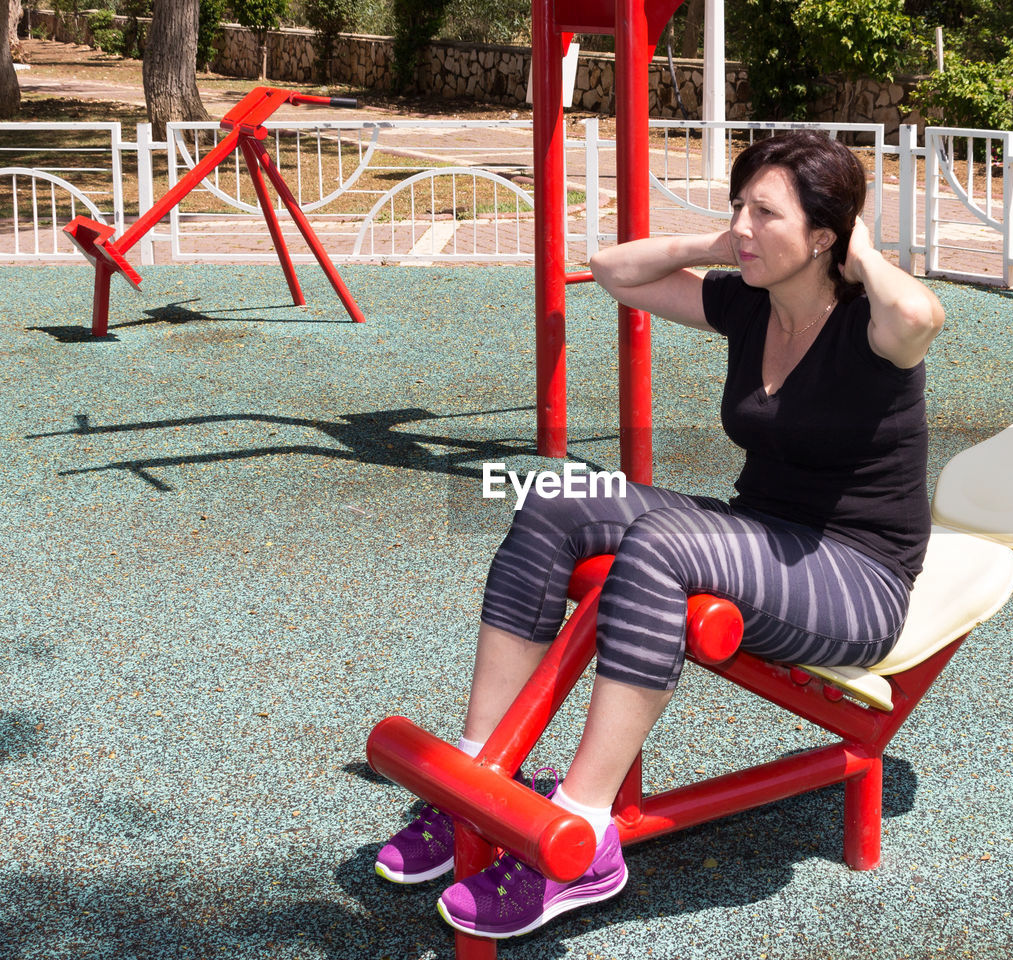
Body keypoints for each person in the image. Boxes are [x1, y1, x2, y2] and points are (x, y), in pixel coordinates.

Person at [373, 131, 945, 939]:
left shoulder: (874, 331)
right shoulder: (750, 301)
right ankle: (479, 775)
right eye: (737, 207)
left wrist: (857, 248)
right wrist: (727, 242)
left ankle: (585, 828)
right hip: (760, 535)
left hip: (857, 575)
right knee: (556, 497)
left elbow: (922, 311)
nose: (743, 226)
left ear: (825, 237)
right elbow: (614, 271)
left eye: (765, 213)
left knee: (665, 543)